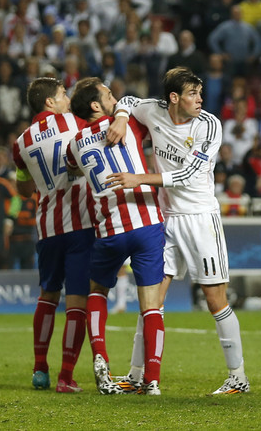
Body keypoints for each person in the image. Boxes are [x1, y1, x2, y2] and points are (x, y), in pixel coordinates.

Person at [104, 67, 250, 395]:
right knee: (150, 298)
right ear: (173, 98)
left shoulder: (209, 125)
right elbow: (127, 99)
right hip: (166, 219)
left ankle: (238, 377)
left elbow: (188, 173)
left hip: (200, 218)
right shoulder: (154, 110)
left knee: (215, 299)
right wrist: (123, 117)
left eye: (200, 93)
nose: (200, 99)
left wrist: (138, 179)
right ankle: (137, 374)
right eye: (192, 94)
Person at [66, 77, 165, 396]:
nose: (115, 98)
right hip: (146, 220)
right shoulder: (130, 126)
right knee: (151, 305)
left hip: (109, 229)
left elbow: (71, 168)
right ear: (96, 105)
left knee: (97, 291)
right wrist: (122, 115)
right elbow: (140, 106)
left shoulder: (75, 144)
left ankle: (100, 357)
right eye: (109, 95)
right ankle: (151, 379)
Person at [11, 78, 95, 393]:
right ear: (50, 102)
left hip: (47, 227)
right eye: (62, 94)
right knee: (77, 301)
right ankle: (67, 377)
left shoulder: (20, 143)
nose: (67, 98)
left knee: (47, 296)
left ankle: (40, 370)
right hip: (81, 225)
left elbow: (23, 187)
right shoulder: (76, 121)